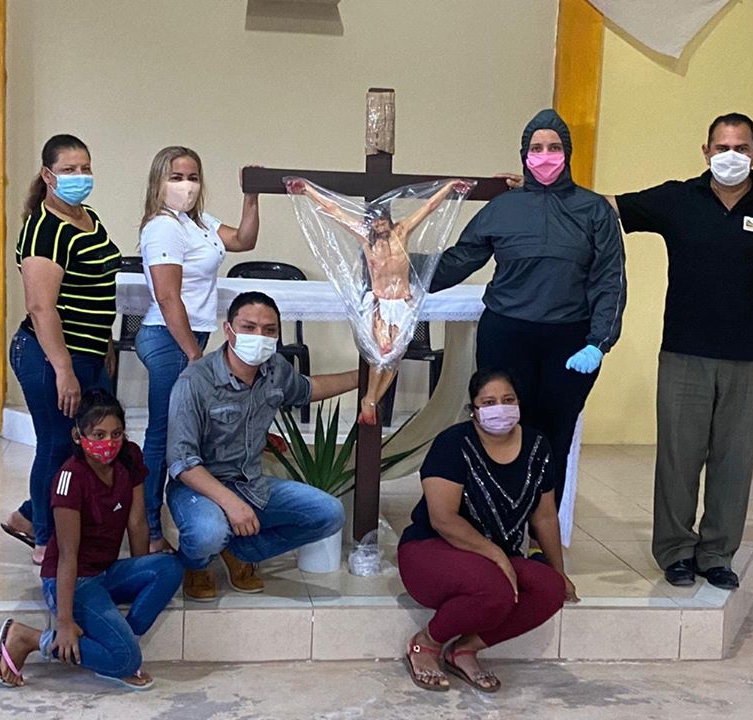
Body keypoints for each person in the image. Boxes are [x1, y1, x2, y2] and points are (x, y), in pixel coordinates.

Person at [606, 113, 753, 589]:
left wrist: (747, 304)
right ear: (706, 151)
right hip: (685, 351)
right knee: (679, 456)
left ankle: (717, 553)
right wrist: (546, 188)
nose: (731, 156)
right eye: (722, 147)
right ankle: (676, 550)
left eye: (741, 148)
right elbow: (610, 205)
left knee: (734, 460)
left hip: (749, 354)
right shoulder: (679, 198)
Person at [431, 109, 626, 515]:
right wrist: (398, 270)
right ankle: (494, 522)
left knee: (554, 435)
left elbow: (610, 281)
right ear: (524, 155)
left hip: (569, 343)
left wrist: (599, 342)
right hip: (506, 336)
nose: (545, 155)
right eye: (537, 148)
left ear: (567, 153)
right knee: (499, 429)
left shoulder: (594, 211)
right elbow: (459, 260)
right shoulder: (502, 209)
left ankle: (541, 533)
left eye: (554, 147)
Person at [165, 291, 357, 600]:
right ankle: (196, 563)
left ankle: (238, 552)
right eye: (249, 327)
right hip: (198, 488)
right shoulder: (195, 381)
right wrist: (232, 504)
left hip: (250, 484)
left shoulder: (275, 368)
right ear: (229, 331)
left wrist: (363, 376)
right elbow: (182, 462)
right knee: (207, 533)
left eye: (269, 330)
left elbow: (307, 389)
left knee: (329, 513)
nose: (259, 337)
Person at [398, 369, 577, 692]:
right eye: (489, 402)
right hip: (432, 549)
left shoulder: (537, 446)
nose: (500, 409)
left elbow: (545, 517)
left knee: (549, 588)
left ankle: (464, 649)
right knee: (496, 589)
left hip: (494, 559)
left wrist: (559, 571)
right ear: (474, 409)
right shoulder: (453, 443)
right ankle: (426, 643)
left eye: (508, 400)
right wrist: (497, 555)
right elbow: (443, 519)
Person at [0, 390, 182, 690]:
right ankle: (30, 638)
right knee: (125, 661)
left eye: (116, 434)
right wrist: (65, 622)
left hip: (105, 571)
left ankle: (118, 642)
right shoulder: (70, 479)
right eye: (98, 435)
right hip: (73, 579)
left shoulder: (130, 456)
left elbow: (137, 522)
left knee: (170, 567)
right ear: (78, 436)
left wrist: (140, 572)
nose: (109, 443)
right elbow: (67, 556)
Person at [1, 134, 121, 565]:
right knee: (56, 443)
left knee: (86, 442)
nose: (79, 176)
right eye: (69, 170)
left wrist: (104, 342)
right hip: (48, 354)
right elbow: (40, 307)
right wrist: (63, 369)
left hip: (89, 351)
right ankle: (45, 539)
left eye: (85, 168)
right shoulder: (43, 231)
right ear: (48, 175)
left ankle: (28, 514)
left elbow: (97, 287)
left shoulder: (89, 218)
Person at [136, 146, 259, 554]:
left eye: (192, 177)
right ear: (158, 182)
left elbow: (243, 240)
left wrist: (251, 195)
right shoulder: (163, 227)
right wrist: (192, 354)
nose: (186, 186)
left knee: (181, 432)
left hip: (192, 336)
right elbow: (168, 297)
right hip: (170, 338)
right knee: (163, 434)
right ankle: (148, 529)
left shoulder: (198, 222)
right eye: (176, 177)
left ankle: (165, 516)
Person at [286, 177, 470, 425]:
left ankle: (371, 401)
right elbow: (334, 211)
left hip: (403, 302)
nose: (380, 226)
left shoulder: (402, 232)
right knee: (382, 352)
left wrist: (448, 188)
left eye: (383, 221)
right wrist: (307, 190)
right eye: (375, 222)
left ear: (389, 219)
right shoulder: (366, 238)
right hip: (380, 303)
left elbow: (428, 207)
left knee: (395, 357)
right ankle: (370, 400)